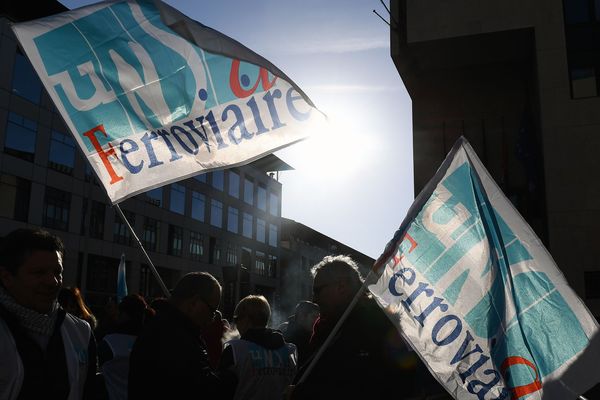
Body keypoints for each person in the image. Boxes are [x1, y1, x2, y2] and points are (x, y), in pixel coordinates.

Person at [289, 255, 417, 399]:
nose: (314, 299)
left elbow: (375, 386)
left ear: (341, 287)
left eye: (318, 291)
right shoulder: (326, 327)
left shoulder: (378, 326)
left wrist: (306, 393)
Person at [0, 228, 97, 400]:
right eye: (39, 272)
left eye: (57, 272)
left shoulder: (81, 332)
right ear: (7, 277)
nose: (52, 281)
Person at [128, 272, 229, 399]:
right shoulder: (178, 340)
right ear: (194, 303)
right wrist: (231, 377)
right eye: (212, 310)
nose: (211, 318)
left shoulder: (159, 327)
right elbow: (203, 389)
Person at [219, 295, 297, 400]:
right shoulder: (291, 351)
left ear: (246, 319)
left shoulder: (235, 350)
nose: (235, 325)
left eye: (236, 319)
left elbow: (221, 391)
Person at [99, 294, 152, 400]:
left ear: (125, 315)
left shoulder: (109, 342)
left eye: (120, 311)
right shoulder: (150, 344)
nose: (117, 314)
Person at [283, 301, 319, 365]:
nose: (316, 321)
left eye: (318, 318)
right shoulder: (289, 338)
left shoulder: (311, 337)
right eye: (313, 317)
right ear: (301, 316)